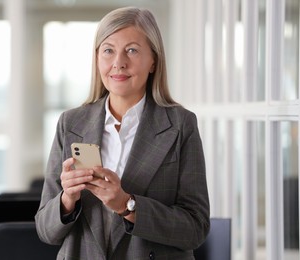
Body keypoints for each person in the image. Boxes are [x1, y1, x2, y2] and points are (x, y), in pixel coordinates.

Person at [35, 6, 210, 260]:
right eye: (108, 50)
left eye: (132, 50)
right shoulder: (70, 123)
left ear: (153, 61)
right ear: (97, 59)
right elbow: (45, 230)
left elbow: (196, 228)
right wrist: (67, 200)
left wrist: (128, 206)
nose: (119, 62)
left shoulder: (181, 125)